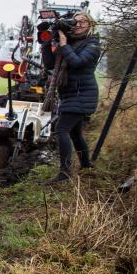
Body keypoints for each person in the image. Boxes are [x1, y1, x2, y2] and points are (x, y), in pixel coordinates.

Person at [41, 11, 101, 182]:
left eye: (83, 22)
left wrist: (64, 43)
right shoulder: (72, 42)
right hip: (70, 94)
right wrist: (47, 42)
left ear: (91, 25)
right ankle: (86, 166)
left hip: (82, 94)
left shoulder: (93, 44)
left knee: (61, 129)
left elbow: (77, 62)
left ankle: (64, 173)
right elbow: (50, 64)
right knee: (75, 133)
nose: (79, 25)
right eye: (75, 22)